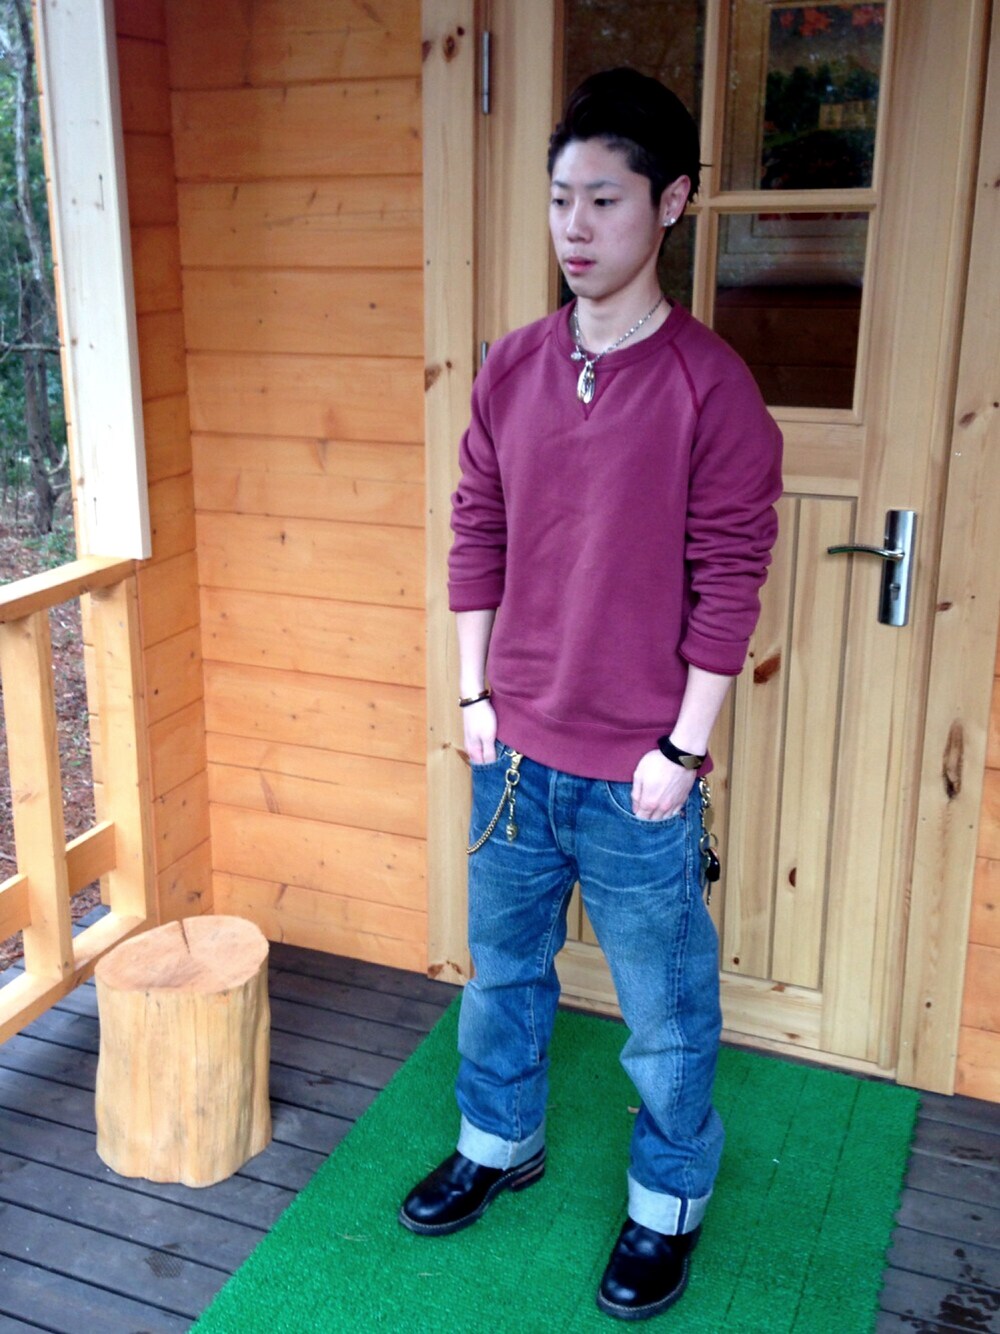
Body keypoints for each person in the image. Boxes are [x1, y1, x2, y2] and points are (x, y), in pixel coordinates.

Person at [399, 67, 782, 1322]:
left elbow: (730, 579)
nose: (575, 225)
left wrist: (682, 749)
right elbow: (476, 530)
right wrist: (472, 697)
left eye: (605, 199)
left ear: (670, 203)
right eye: (561, 197)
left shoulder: (710, 386)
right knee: (503, 974)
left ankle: (666, 1203)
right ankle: (497, 1141)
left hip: (640, 774)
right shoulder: (511, 367)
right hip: (511, 752)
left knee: (663, 1014)